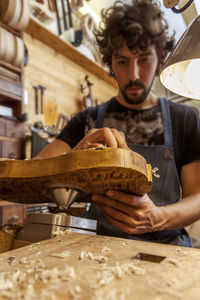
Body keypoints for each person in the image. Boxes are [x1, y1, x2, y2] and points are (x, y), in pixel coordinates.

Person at [35, 0, 200, 247]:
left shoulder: (185, 119)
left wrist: (157, 218)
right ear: (110, 64)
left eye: (144, 59)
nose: (133, 74)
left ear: (160, 58)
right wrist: (70, 164)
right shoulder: (87, 120)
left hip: (166, 248)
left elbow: (197, 197)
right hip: (98, 250)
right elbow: (33, 176)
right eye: (122, 61)